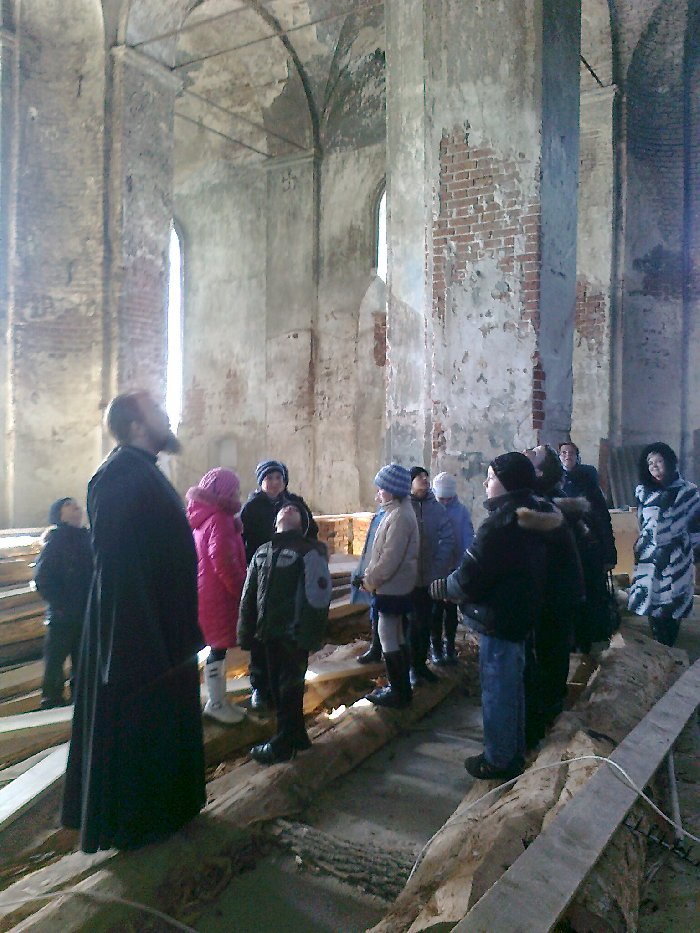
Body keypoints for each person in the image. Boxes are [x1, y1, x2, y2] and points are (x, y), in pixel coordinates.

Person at [62, 392, 206, 853]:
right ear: (137, 426)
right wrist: (141, 649)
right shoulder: (118, 477)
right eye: (157, 412)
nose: (166, 417)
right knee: (138, 734)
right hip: (140, 639)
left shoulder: (143, 469)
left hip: (163, 631)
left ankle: (168, 814)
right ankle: (141, 828)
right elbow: (118, 573)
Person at [431, 453, 560, 780]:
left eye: (491, 478)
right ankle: (513, 749)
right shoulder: (534, 513)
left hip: (498, 619)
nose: (486, 483)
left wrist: (441, 588)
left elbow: (470, 576)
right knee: (512, 688)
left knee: (498, 691)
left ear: (507, 483)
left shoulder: (500, 525)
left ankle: (498, 759)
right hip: (519, 614)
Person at [238, 503, 331, 764]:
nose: (289, 509)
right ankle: (297, 736)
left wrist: (309, 635)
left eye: (295, 510)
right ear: (275, 521)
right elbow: (248, 595)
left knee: (289, 688)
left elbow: (319, 597)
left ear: (302, 523)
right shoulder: (262, 552)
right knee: (279, 688)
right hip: (268, 634)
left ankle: (283, 744)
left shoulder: (309, 552)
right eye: (284, 509)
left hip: (293, 635)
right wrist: (245, 631)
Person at [241, 459, 318, 712]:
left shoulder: (295, 504)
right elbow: (243, 543)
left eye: (278, 478)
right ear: (260, 482)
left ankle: (288, 686)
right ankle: (260, 687)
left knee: (287, 632)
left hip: (291, 577)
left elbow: (312, 532)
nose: (274, 483)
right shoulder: (252, 508)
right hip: (262, 576)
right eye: (269, 478)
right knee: (261, 634)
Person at [523, 445, 586, 745]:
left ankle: (543, 724)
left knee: (546, 658)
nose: (527, 451)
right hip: (558, 594)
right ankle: (550, 712)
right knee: (552, 656)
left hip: (551, 596)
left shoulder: (543, 509)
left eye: (533, 455)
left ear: (538, 473)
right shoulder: (552, 502)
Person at [187, 468, 247, 725]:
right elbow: (223, 561)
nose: (237, 495)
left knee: (216, 648)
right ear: (222, 492)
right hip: (220, 594)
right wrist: (242, 590)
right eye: (233, 491)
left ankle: (218, 699)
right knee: (218, 649)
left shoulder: (204, 516)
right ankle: (216, 703)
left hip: (208, 591)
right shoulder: (220, 519)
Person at [628, 443, 700, 646]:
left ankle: (668, 644)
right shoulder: (643, 491)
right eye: (650, 463)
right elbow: (642, 522)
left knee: (673, 604)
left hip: (677, 558)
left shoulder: (689, 492)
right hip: (649, 556)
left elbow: (696, 526)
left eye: (659, 461)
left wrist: (693, 553)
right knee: (651, 603)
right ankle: (659, 644)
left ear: (669, 462)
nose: (654, 466)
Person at [360, 464, 418, 708]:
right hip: (397, 585)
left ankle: (398, 691)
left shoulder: (400, 516)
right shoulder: (398, 511)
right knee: (396, 635)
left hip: (392, 586)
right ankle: (402, 688)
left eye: (381, 489)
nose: (378, 494)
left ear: (392, 490)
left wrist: (370, 581)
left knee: (387, 635)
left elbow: (388, 559)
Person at [33, 498, 93, 709]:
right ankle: (51, 702)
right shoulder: (56, 543)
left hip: (85, 614)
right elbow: (42, 579)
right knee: (55, 662)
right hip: (62, 617)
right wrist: (61, 605)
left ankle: (80, 703)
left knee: (83, 662)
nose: (75, 506)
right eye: (68, 504)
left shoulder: (88, 539)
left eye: (76, 504)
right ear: (58, 515)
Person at [408, 467, 454, 686]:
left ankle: (421, 665)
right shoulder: (404, 507)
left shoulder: (436, 508)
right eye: (420, 477)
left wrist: (438, 567)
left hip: (430, 577)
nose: (425, 480)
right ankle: (410, 669)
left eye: (426, 477)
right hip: (408, 579)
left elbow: (447, 538)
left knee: (425, 622)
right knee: (410, 625)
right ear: (410, 482)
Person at [430, 472, 474, 665]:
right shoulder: (430, 511)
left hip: (454, 569)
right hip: (435, 569)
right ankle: (435, 647)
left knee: (451, 611)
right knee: (435, 611)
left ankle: (449, 646)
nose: (445, 502)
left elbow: (468, 540)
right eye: (442, 498)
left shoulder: (461, 512)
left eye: (449, 498)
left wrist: (461, 568)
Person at [558, 442, 617, 571]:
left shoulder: (588, 480)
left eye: (571, 453)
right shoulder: (556, 484)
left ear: (577, 457)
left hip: (589, 539)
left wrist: (609, 554)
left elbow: (602, 518)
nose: (568, 456)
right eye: (564, 452)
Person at [350, 505, 386, 665]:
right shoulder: (382, 511)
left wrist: (372, 578)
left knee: (389, 621)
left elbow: (388, 554)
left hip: (386, 576)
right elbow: (370, 546)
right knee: (376, 611)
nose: (378, 495)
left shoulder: (398, 513)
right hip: (374, 572)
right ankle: (376, 648)